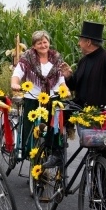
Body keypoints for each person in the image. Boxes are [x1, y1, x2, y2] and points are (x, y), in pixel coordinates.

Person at [56, 21, 106, 168]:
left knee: (101, 153)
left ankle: (100, 187)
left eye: (80, 40)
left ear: (88, 42)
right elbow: (75, 85)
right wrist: (69, 76)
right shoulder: (83, 60)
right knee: (55, 113)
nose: (78, 44)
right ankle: (55, 154)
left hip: (101, 111)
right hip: (82, 107)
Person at [10, 30, 66, 162]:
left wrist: (64, 88)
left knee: (53, 129)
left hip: (52, 98)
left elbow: (61, 77)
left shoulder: (56, 58)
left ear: (49, 43)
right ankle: (30, 154)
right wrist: (15, 83)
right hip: (33, 98)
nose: (43, 45)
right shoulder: (27, 58)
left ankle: (52, 153)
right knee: (31, 129)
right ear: (34, 45)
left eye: (45, 42)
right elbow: (17, 74)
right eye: (39, 43)